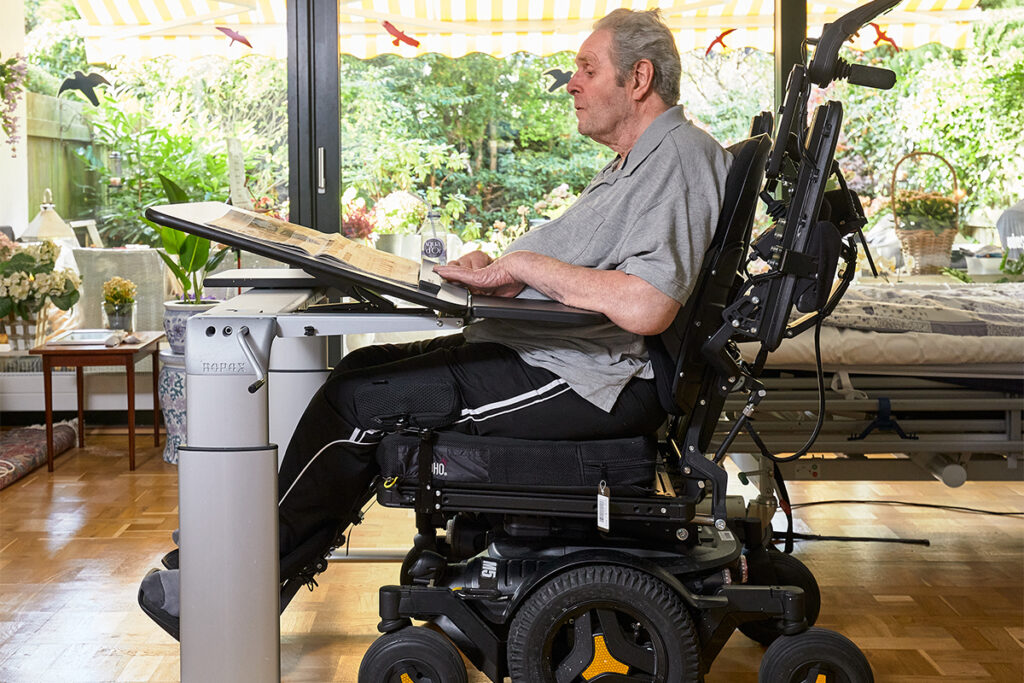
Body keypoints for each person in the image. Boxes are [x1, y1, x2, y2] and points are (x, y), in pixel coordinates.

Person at [139, 7, 732, 637]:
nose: (572, 82)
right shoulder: (637, 162)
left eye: (588, 68)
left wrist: (527, 264)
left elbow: (648, 303)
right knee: (361, 369)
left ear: (639, 79)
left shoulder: (679, 157)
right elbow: (597, 266)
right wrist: (508, 269)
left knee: (359, 401)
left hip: (592, 378)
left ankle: (228, 583)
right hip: (556, 354)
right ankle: (255, 572)